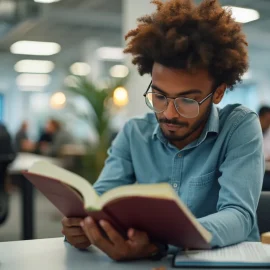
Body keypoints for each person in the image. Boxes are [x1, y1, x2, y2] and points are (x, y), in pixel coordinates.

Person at [61, 0, 264, 262]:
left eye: (187, 101)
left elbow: (238, 215)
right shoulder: (134, 133)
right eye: (159, 96)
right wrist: (81, 228)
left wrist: (160, 243)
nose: (168, 113)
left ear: (218, 93)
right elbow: (97, 203)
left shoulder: (239, 126)